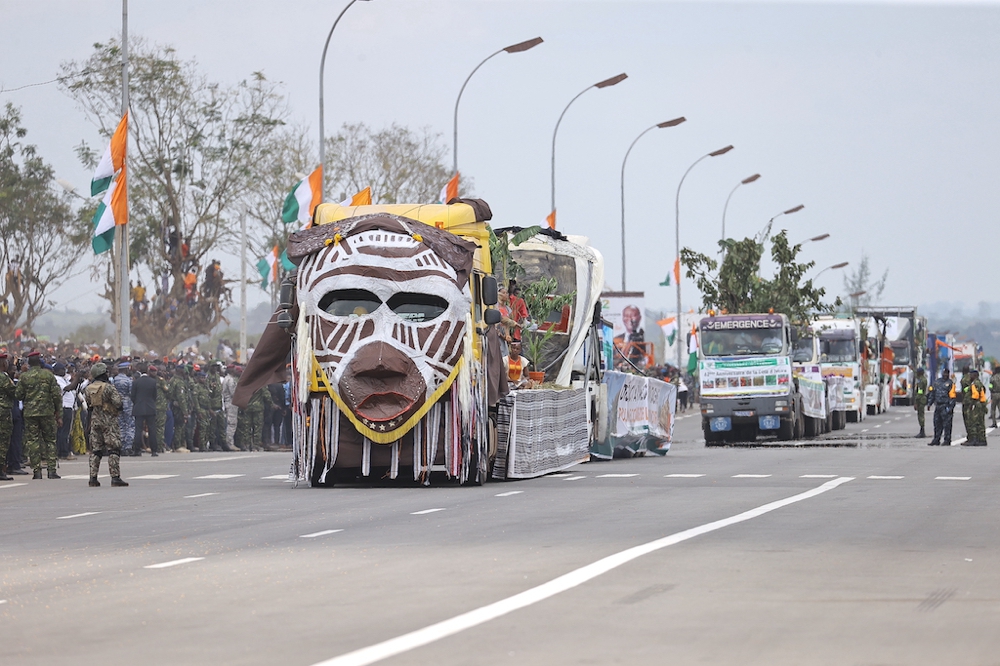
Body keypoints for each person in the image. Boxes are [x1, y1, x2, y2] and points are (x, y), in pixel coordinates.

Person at [15, 351, 62, 479]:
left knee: (33, 441)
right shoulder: (48, 376)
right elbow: (57, 396)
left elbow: (18, 395)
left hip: (30, 413)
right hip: (47, 413)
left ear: (29, 363)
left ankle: (37, 471)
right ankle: (52, 470)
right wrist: (59, 414)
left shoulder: (24, 377)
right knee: (50, 441)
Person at [83, 363, 128, 487]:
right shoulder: (108, 388)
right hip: (109, 422)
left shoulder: (88, 388)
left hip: (95, 421)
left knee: (96, 451)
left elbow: (89, 406)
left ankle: (93, 478)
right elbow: (118, 403)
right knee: (114, 449)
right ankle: (115, 477)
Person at [131, 363, 158, 456]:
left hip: (139, 408)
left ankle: (137, 450)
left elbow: (132, 396)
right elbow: (155, 396)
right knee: (152, 429)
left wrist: (137, 403)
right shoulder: (153, 382)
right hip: (150, 407)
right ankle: (154, 450)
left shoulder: (136, 382)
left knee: (138, 430)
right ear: (147, 371)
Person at [927, 368, 957, 446]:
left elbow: (952, 397)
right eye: (944, 373)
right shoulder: (937, 382)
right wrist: (929, 403)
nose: (945, 375)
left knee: (947, 425)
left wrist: (950, 407)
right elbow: (932, 393)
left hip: (946, 406)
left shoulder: (950, 383)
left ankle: (947, 440)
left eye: (947, 373)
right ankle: (936, 439)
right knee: (937, 424)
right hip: (938, 406)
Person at [962, 368, 988, 446]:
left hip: (976, 405)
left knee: (974, 422)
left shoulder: (975, 384)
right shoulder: (978, 383)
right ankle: (981, 440)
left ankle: (974, 439)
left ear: (975, 375)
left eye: (971, 375)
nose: (970, 376)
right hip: (980, 404)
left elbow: (975, 395)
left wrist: (971, 405)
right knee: (980, 422)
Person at [0, 353, 14, 480]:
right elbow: (14, 392)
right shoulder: (4, 378)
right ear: (4, 364)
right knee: (3, 442)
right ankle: (1, 470)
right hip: (3, 412)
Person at [913, 367, 928, 438]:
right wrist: (913, 369)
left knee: (921, 415)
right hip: (922, 399)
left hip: (921, 400)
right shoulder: (922, 379)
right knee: (920, 415)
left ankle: (922, 431)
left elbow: (920, 391)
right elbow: (916, 375)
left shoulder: (921, 381)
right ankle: (922, 431)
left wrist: (916, 401)